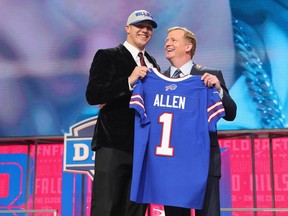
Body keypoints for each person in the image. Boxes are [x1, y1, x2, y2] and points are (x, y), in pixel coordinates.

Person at [85, 10, 160, 216]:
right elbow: (94, 95)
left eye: (149, 27)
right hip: (114, 145)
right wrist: (129, 80)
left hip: (144, 149)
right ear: (128, 28)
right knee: (107, 208)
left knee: (135, 210)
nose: (144, 30)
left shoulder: (154, 64)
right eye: (139, 26)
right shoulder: (107, 55)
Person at [162, 26, 237, 216]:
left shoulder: (209, 76)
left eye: (173, 40)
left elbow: (231, 113)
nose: (167, 43)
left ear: (188, 46)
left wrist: (218, 90)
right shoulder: (159, 80)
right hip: (172, 167)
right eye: (166, 41)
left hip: (205, 164)